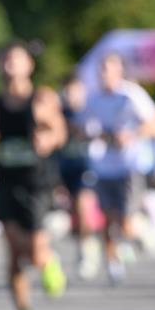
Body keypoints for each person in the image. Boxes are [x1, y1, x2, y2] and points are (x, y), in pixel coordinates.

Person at [0, 42, 68, 310]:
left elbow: (60, 131)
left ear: (29, 65)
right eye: (4, 59)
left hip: (36, 183)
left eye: (15, 59)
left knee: (35, 252)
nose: (9, 64)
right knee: (14, 253)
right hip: (6, 182)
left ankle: (48, 261)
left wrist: (48, 140)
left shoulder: (41, 99)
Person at [82, 53, 155, 284]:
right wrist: (97, 135)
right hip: (103, 168)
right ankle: (113, 263)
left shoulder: (131, 95)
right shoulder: (93, 98)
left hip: (129, 167)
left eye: (109, 70)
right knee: (108, 221)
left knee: (126, 224)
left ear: (119, 72)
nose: (104, 75)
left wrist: (131, 135)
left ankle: (142, 230)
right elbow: (80, 128)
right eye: (101, 70)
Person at [58, 73, 101, 280]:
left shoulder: (91, 111)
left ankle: (87, 253)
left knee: (84, 208)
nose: (70, 95)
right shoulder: (59, 113)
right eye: (67, 91)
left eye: (74, 90)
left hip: (89, 167)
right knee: (73, 213)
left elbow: (98, 134)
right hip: (67, 167)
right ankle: (85, 245)